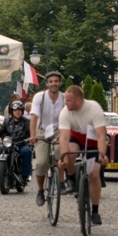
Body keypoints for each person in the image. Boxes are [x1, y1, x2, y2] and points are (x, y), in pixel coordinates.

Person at [58, 85, 109, 225]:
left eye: (68, 100)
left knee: (94, 174)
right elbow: (63, 138)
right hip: (76, 138)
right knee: (70, 151)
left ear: (79, 100)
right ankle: (72, 178)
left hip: (93, 141)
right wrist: (64, 158)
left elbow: (101, 136)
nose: (65, 103)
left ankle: (95, 211)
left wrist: (102, 154)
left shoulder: (94, 108)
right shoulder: (65, 112)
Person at [29, 71, 65, 206]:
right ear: (47, 83)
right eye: (51, 81)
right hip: (42, 130)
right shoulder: (40, 97)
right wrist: (32, 135)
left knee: (60, 153)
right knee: (41, 162)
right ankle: (40, 190)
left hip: (58, 131)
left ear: (60, 83)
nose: (54, 84)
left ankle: (61, 182)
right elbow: (34, 117)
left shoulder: (64, 98)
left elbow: (68, 117)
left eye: (56, 81)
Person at [0, 101, 32, 183]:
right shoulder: (7, 122)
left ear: (22, 111)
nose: (17, 112)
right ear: (12, 111)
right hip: (9, 145)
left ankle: (25, 176)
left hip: (21, 144)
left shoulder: (27, 122)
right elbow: (0, 131)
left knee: (27, 151)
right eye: (15, 110)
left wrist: (31, 138)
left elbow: (31, 133)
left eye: (19, 110)